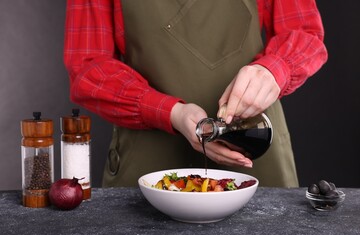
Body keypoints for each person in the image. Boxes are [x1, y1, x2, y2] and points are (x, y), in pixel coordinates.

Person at [64, 0, 328, 187]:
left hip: (253, 144)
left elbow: (303, 31)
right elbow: (88, 66)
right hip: (149, 159)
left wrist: (274, 70)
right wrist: (170, 112)